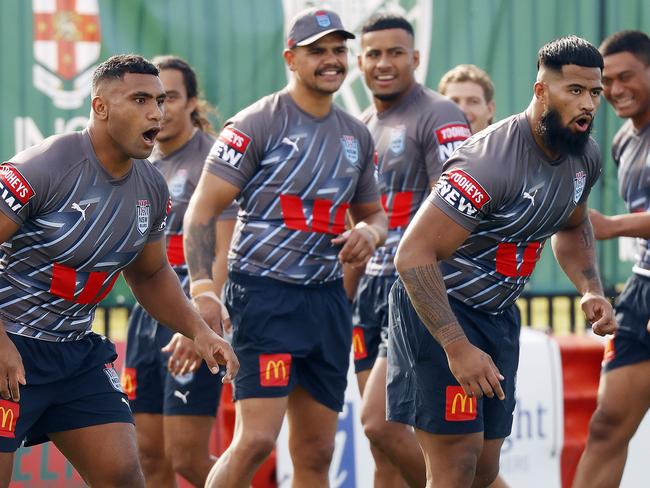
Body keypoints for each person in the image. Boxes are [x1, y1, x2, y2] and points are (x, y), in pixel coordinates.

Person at [0, 54, 238, 488]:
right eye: (141, 99)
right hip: (9, 346)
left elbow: (149, 275)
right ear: (100, 107)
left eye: (161, 101)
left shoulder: (151, 186)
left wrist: (198, 331)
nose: (156, 113)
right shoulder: (44, 166)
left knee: (125, 477)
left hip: (75, 353)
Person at [389, 36, 616, 488]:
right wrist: (456, 346)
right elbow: (412, 254)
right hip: (442, 311)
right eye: (574, 90)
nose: (587, 104)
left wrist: (590, 287)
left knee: (485, 470)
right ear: (540, 92)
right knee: (456, 465)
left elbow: (572, 226)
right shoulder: (488, 161)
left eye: (595, 92)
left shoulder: (583, 155)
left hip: (498, 317)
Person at [181, 8, 387, 488]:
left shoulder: (356, 133)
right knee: (254, 441)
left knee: (317, 453)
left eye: (339, 50)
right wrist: (204, 289)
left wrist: (370, 234)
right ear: (291, 59)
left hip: (327, 302)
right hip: (265, 299)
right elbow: (201, 211)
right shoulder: (256, 122)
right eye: (318, 51)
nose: (332, 60)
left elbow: (374, 215)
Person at [349, 14, 470, 488]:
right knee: (382, 446)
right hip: (370, 292)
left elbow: (457, 208)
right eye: (374, 53)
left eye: (395, 52)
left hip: (414, 288)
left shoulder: (438, 114)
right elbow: (355, 223)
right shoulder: (359, 126)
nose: (384, 63)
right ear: (360, 61)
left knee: (378, 422)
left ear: (415, 58)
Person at [121, 55, 237, 488]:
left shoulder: (213, 160)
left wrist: (201, 320)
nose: (160, 109)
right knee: (149, 455)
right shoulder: (139, 163)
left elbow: (225, 251)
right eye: (149, 99)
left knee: (186, 455)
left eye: (169, 97)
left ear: (192, 103)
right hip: (145, 316)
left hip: (193, 313)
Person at [573, 30, 650, 488]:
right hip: (641, 290)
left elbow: (615, 222)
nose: (616, 90)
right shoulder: (622, 140)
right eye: (608, 84)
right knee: (605, 426)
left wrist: (613, 225)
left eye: (627, 77)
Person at [439, 63, 497, 134]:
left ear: (490, 109)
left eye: (473, 101)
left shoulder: (507, 144)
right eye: (453, 102)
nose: (462, 110)